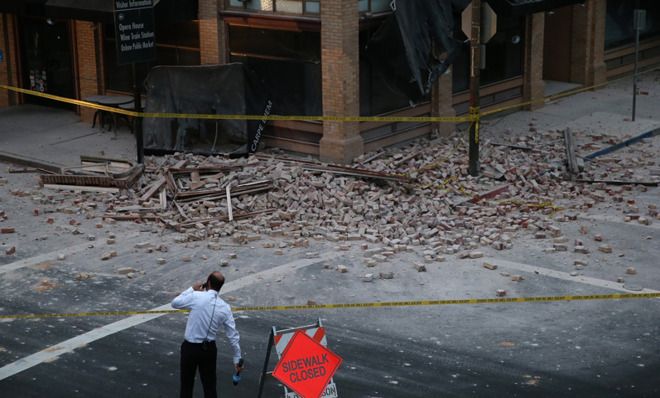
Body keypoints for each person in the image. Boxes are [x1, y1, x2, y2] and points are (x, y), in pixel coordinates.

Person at [171, 271, 242, 398]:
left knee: (186, 387)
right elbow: (233, 335)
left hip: (190, 348)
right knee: (210, 388)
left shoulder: (196, 296)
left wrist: (192, 289)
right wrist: (237, 358)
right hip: (209, 350)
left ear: (207, 283)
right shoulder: (225, 307)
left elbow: (175, 303)